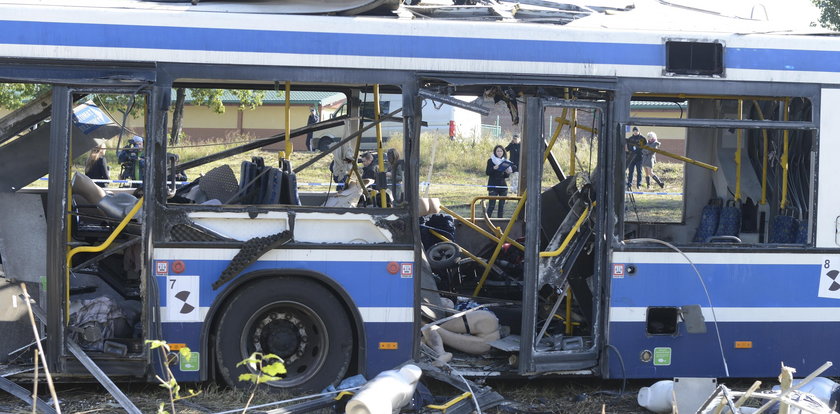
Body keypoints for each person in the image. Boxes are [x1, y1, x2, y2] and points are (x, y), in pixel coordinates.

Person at [485, 144, 516, 218]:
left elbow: (505, 176)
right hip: (493, 185)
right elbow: (487, 172)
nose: (499, 152)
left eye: (501, 151)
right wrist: (493, 168)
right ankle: (487, 221)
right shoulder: (490, 161)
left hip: (503, 186)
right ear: (495, 152)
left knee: (501, 207)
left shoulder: (505, 161)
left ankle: (500, 221)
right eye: (498, 151)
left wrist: (507, 173)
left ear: (503, 152)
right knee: (491, 206)